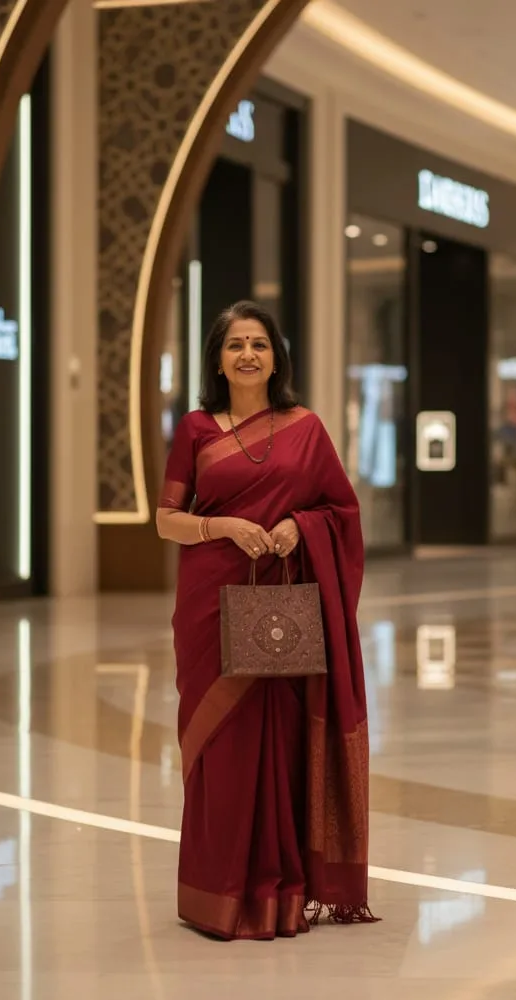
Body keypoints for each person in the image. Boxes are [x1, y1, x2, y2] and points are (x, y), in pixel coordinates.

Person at [155, 300, 378, 940]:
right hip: (209, 600)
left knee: (276, 744)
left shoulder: (304, 427)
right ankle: (214, 893)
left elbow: (341, 509)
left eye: (259, 343)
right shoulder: (196, 428)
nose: (248, 354)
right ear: (218, 360)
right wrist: (222, 525)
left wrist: (294, 527)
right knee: (218, 749)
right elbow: (165, 519)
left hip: (280, 600)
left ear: (276, 356)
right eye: (234, 345)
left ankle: (278, 890)